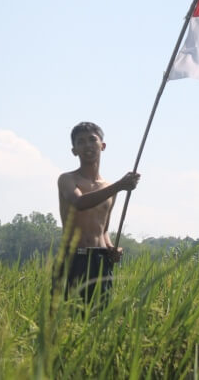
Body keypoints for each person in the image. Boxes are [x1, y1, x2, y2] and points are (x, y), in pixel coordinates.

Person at [55, 121, 140, 303]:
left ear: (102, 146)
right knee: (69, 318)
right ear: (74, 150)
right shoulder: (67, 180)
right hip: (74, 259)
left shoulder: (109, 188)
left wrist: (111, 247)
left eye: (92, 140)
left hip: (101, 261)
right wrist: (120, 186)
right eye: (81, 142)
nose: (87, 145)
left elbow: (103, 229)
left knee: (98, 317)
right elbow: (79, 202)